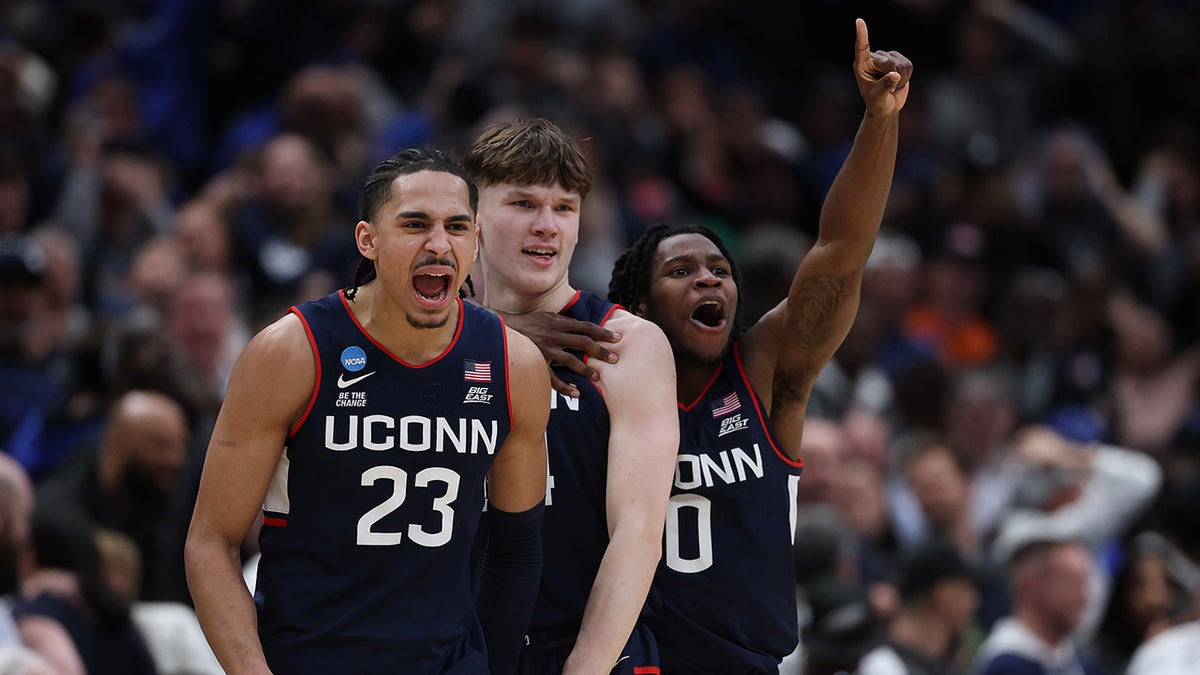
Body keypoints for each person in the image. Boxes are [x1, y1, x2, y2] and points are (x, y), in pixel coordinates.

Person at [603, 18, 912, 673]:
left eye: (719, 268)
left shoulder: (764, 375)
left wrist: (880, 117)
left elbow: (842, 250)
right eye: (681, 271)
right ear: (637, 308)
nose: (709, 277)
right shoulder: (598, 394)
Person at [184, 147, 551, 674]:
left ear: (475, 242)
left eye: (457, 226)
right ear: (368, 240)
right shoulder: (292, 352)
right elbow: (210, 543)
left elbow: (516, 549)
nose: (438, 243)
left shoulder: (514, 365)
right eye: (415, 224)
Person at [465, 118, 680, 674]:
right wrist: (495, 330)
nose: (546, 226)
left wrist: (586, 669)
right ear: (473, 217)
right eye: (523, 203)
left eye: (563, 208)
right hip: (459, 647)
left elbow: (638, 534)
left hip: (592, 648)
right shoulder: (433, 338)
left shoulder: (625, 342)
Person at [971, 539, 1105, 675]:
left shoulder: (1079, 661)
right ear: (1029, 587)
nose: (1084, 598)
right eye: (1072, 586)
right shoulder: (1005, 666)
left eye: (1084, 585)